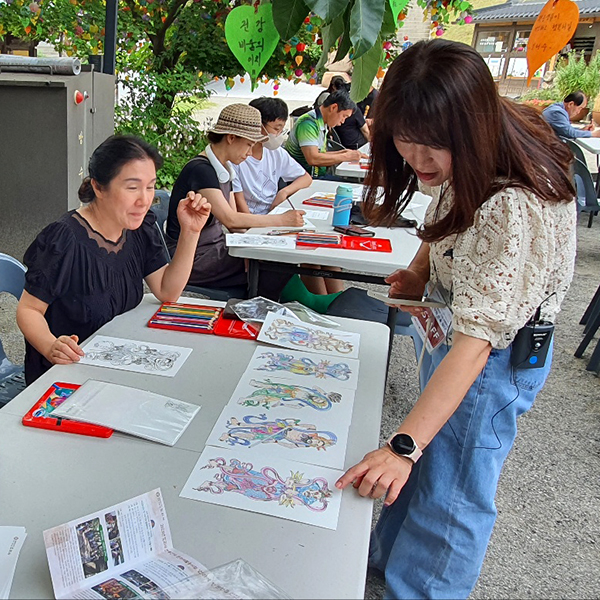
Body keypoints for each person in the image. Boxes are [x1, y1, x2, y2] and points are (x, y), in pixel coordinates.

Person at [336, 39, 577, 599]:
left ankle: (424, 590)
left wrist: (400, 446)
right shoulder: (485, 147)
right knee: (428, 460)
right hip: (455, 331)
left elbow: (476, 343)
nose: (417, 160)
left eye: (433, 146)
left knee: (454, 487)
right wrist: (421, 268)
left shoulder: (512, 203)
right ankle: (387, 567)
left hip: (490, 356)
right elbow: (450, 214)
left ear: (469, 126)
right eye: (405, 140)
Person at [16, 135, 211, 385]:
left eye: (150, 186)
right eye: (132, 187)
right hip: (67, 375)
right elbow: (29, 309)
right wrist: (50, 345)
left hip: (118, 366)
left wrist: (191, 231)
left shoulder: (139, 227)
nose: (144, 199)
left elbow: (167, 290)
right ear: (98, 187)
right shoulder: (64, 239)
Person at [165, 103, 305, 295]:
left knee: (276, 255)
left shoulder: (225, 168)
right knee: (272, 264)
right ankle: (271, 309)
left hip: (215, 247)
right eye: (248, 145)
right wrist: (282, 220)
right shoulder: (201, 170)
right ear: (231, 138)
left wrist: (273, 236)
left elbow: (235, 226)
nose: (249, 152)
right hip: (193, 257)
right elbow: (230, 218)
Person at [232, 97, 312, 215]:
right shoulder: (236, 158)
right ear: (257, 124)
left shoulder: (276, 153)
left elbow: (306, 178)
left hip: (274, 213)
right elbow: (239, 207)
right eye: (276, 128)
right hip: (251, 220)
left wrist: (283, 192)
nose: (278, 134)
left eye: (281, 130)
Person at [284, 91, 367, 178]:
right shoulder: (308, 123)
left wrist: (344, 152)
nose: (343, 121)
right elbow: (313, 159)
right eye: (344, 116)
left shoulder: (321, 122)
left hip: (313, 176)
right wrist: (345, 156)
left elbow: (319, 153)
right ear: (334, 107)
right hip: (301, 179)